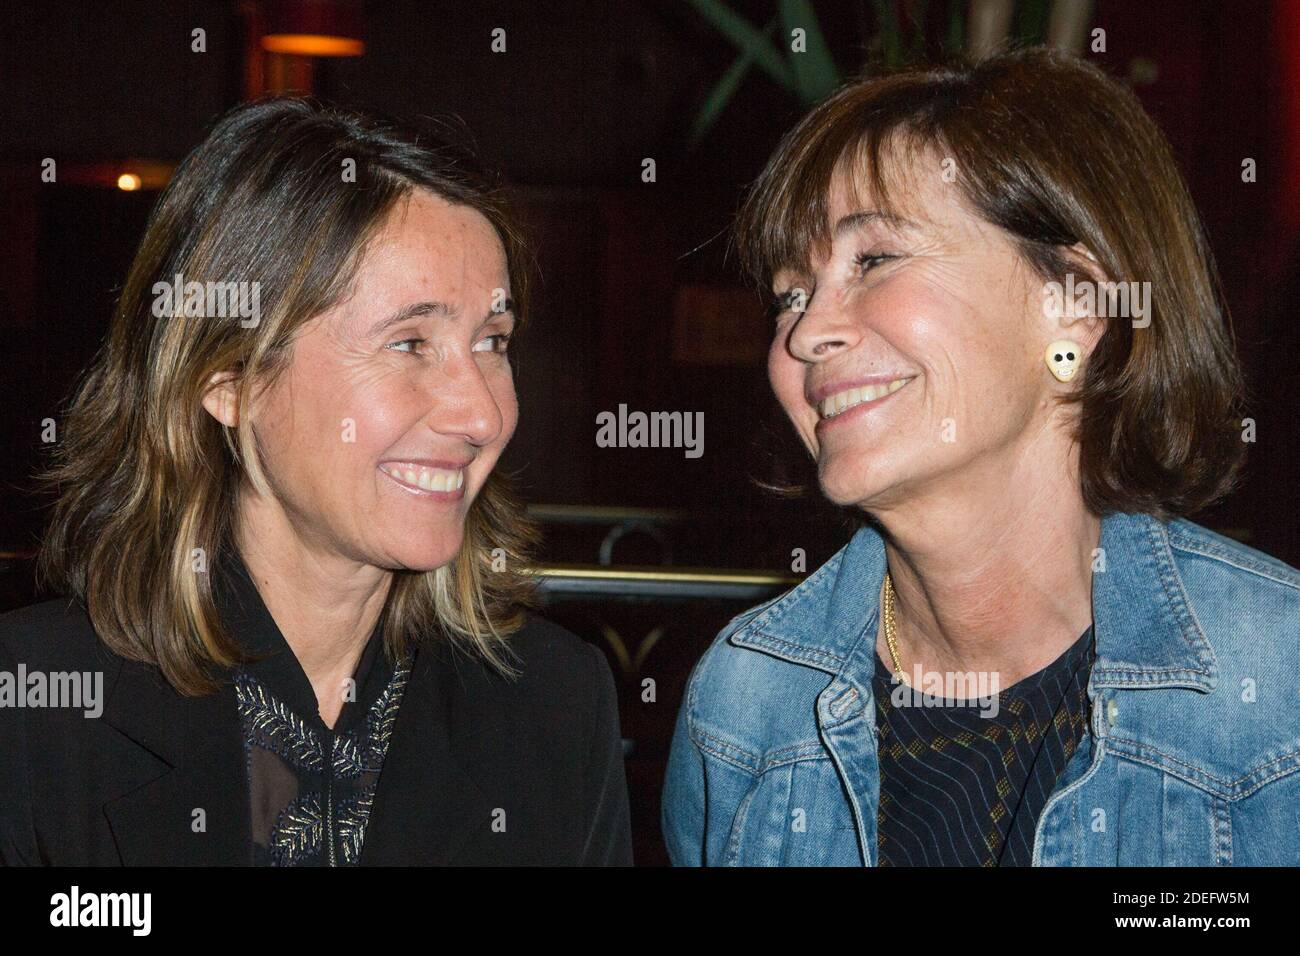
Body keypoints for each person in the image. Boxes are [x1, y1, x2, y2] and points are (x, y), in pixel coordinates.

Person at [663, 47, 1300, 866]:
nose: (806, 332)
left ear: (1076, 307)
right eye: (792, 293)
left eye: (875, 259)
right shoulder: (747, 698)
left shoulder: (1276, 684)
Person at [0, 97, 632, 866]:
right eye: (409, 342)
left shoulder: (556, 702)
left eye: (492, 341)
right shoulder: (37, 708)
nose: (482, 413)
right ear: (227, 379)